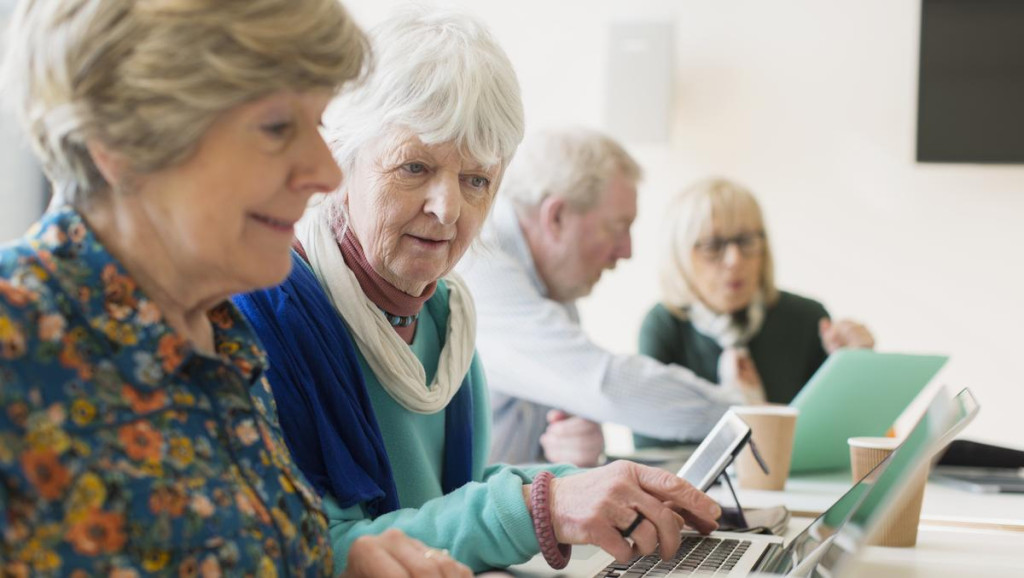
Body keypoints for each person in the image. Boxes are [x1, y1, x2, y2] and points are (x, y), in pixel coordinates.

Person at [233, 9, 723, 574]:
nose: (448, 209)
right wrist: (543, 504)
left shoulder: (447, 314)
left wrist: (587, 490)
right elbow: (322, 552)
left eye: (477, 181)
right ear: (343, 161)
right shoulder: (268, 315)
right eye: (414, 167)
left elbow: (449, 497)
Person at [0, 1, 468, 576]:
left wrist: (333, 567)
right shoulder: (14, 338)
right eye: (276, 127)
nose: (325, 173)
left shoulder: (222, 332)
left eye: (318, 126)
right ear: (123, 139)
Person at [456, 127, 766, 467]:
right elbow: (604, 385)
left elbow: (561, 426)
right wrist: (744, 414)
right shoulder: (477, 262)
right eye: (618, 228)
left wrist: (578, 453)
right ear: (556, 217)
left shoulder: (554, 290)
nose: (627, 251)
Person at [634, 177, 874, 447]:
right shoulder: (665, 325)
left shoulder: (806, 319)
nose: (735, 260)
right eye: (713, 246)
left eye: (747, 241)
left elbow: (840, 436)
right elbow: (650, 445)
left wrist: (856, 370)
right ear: (679, 256)